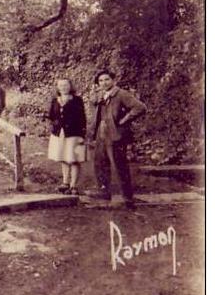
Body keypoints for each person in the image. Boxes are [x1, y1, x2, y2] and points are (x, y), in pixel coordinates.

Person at [86, 70, 147, 208]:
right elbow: (93, 107)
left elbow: (140, 107)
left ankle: (127, 197)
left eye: (107, 79)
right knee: (100, 162)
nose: (104, 83)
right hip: (101, 133)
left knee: (119, 165)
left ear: (113, 80)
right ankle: (104, 191)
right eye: (100, 81)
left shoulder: (121, 94)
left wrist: (124, 120)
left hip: (116, 135)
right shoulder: (99, 95)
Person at [46, 78, 87, 195]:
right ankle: (65, 182)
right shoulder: (55, 100)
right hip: (60, 133)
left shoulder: (77, 100)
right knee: (63, 158)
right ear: (58, 87)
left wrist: (82, 134)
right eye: (61, 85)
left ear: (70, 86)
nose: (63, 87)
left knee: (74, 159)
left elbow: (82, 118)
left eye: (66, 85)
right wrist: (56, 124)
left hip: (74, 133)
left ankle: (74, 185)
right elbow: (51, 116)